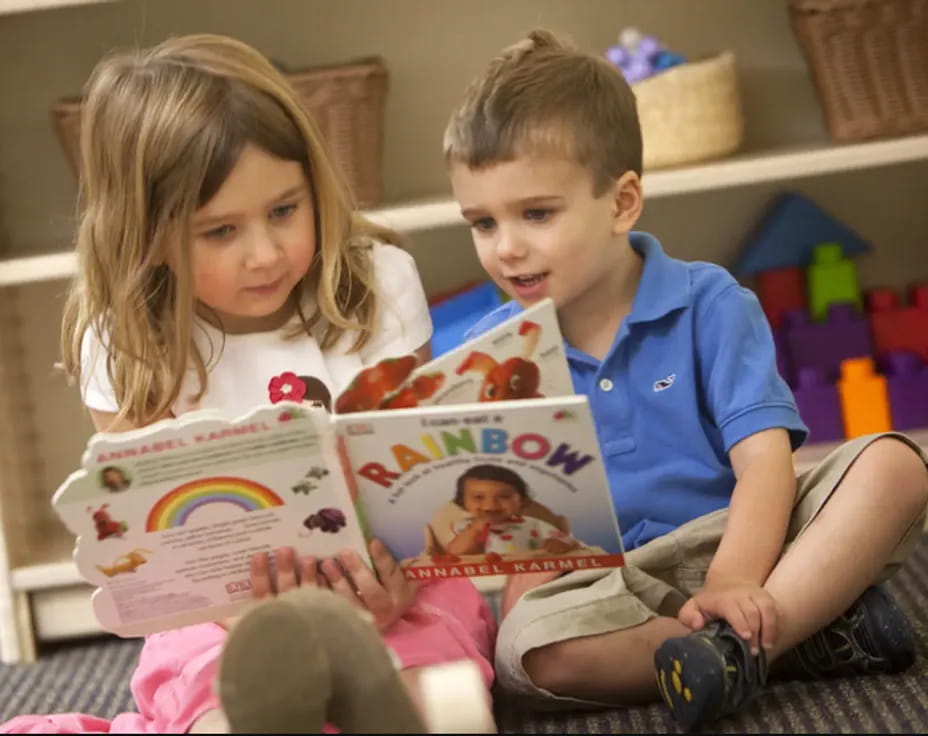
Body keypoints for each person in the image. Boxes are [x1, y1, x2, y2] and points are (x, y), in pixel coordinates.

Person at [1, 34, 496, 735]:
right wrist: (256, 618)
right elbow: (153, 547)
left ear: (315, 185)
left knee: (449, 706)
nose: (264, 253)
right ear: (147, 237)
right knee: (216, 711)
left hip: (393, 587)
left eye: (285, 211)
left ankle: (375, 703)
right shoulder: (122, 341)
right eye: (220, 230)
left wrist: (387, 591)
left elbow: (411, 482)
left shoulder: (380, 282)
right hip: (218, 619)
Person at [443, 28, 928, 730]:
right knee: (531, 656)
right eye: (481, 223)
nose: (506, 247)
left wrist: (735, 577)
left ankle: (750, 634)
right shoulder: (489, 356)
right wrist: (523, 584)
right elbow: (514, 532)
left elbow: (766, 464)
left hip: (751, 544)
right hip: (612, 584)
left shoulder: (710, 302)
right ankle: (790, 639)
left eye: (536, 213)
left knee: (894, 466)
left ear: (621, 202)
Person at [444, 464, 580, 556]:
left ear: (521, 501)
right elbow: (455, 553)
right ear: (462, 500)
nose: (490, 505)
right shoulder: (463, 527)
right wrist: (474, 531)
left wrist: (559, 544)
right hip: (480, 580)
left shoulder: (532, 524)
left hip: (527, 577)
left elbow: (569, 541)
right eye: (479, 497)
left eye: (504, 497)